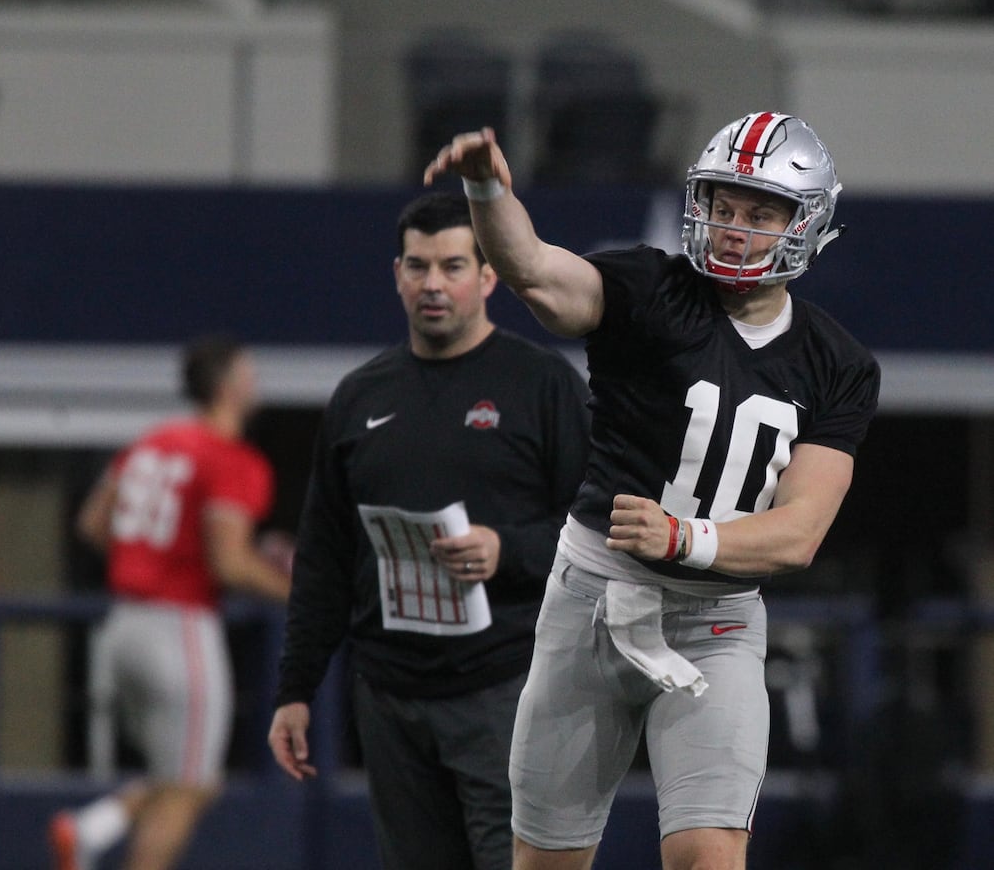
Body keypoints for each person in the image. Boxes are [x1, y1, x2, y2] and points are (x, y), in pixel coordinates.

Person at [422, 113, 881, 870]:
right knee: (546, 862)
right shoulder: (649, 289)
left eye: (760, 213)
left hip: (717, 620)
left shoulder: (837, 364)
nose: (734, 229)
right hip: (592, 599)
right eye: (723, 206)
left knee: (709, 854)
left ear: (807, 224)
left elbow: (799, 531)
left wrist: (686, 538)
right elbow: (535, 271)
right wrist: (484, 189)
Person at [267, 192, 591, 870]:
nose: (433, 284)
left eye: (451, 265)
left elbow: (601, 528)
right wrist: (295, 689)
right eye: (418, 267)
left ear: (488, 276)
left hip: (507, 686)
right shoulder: (360, 396)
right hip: (390, 696)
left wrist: (508, 550)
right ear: (396, 274)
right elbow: (324, 555)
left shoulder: (541, 385)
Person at [49, 335, 291, 870]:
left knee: (185, 777)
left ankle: (92, 827)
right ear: (229, 386)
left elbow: (93, 523)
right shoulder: (230, 457)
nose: (258, 384)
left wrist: (155, 554)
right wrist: (305, 596)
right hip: (178, 629)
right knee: (186, 788)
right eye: (250, 374)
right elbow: (230, 564)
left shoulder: (154, 440)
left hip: (121, 627)